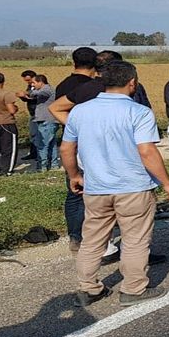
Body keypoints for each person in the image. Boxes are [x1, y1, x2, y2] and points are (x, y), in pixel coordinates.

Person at [61, 60, 169, 307]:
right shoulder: (138, 112)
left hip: (95, 188)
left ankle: (89, 288)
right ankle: (133, 289)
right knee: (135, 239)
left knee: (93, 239)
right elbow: (147, 152)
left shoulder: (80, 111)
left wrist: (74, 175)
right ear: (132, 82)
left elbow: (67, 148)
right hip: (133, 187)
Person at [53, 47, 97, 251]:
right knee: (95, 191)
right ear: (95, 65)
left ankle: (75, 237)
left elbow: (56, 109)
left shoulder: (63, 84)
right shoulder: (91, 87)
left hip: (70, 143)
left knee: (74, 190)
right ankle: (94, 238)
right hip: (89, 143)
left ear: (73, 62)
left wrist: (72, 127)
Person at [30, 75, 60, 171]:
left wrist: (29, 92)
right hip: (49, 120)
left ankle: (42, 166)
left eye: (34, 83)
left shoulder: (47, 89)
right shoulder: (48, 90)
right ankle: (53, 165)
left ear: (41, 82)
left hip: (46, 121)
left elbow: (37, 93)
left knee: (42, 144)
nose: (32, 85)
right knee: (51, 144)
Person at [17, 70, 38, 160]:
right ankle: (33, 153)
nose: (28, 82)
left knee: (38, 135)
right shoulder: (30, 86)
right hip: (32, 112)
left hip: (38, 113)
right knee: (33, 134)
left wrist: (27, 96)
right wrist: (22, 97)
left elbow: (36, 97)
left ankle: (40, 155)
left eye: (28, 80)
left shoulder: (39, 86)